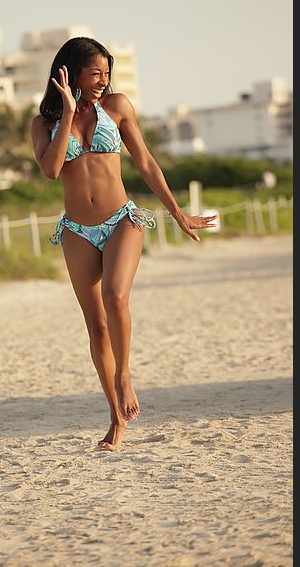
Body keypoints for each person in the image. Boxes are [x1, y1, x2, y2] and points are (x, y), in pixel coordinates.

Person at [31, 37, 217, 451]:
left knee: (116, 296)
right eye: (95, 72)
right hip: (77, 230)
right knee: (96, 326)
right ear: (71, 72)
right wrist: (65, 112)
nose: (103, 80)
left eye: (107, 73)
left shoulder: (117, 108)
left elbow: (147, 162)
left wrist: (177, 213)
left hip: (122, 220)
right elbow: (51, 169)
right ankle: (117, 420)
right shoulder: (43, 123)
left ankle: (125, 375)